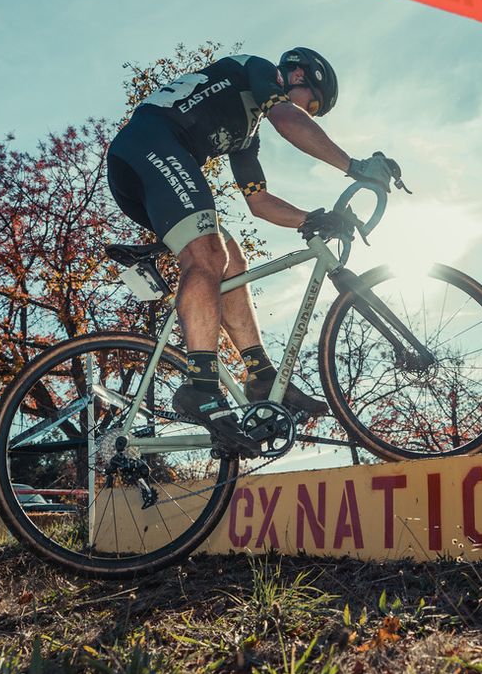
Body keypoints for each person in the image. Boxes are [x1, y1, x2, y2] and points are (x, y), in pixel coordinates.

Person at [106, 47, 400, 457]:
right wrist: (354, 167)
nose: (308, 113)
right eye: (311, 102)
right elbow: (287, 119)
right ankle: (201, 387)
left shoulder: (246, 134)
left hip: (153, 165)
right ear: (296, 74)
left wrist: (310, 219)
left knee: (230, 257)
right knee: (207, 254)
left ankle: (260, 375)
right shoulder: (258, 70)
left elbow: (258, 203)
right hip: (150, 146)